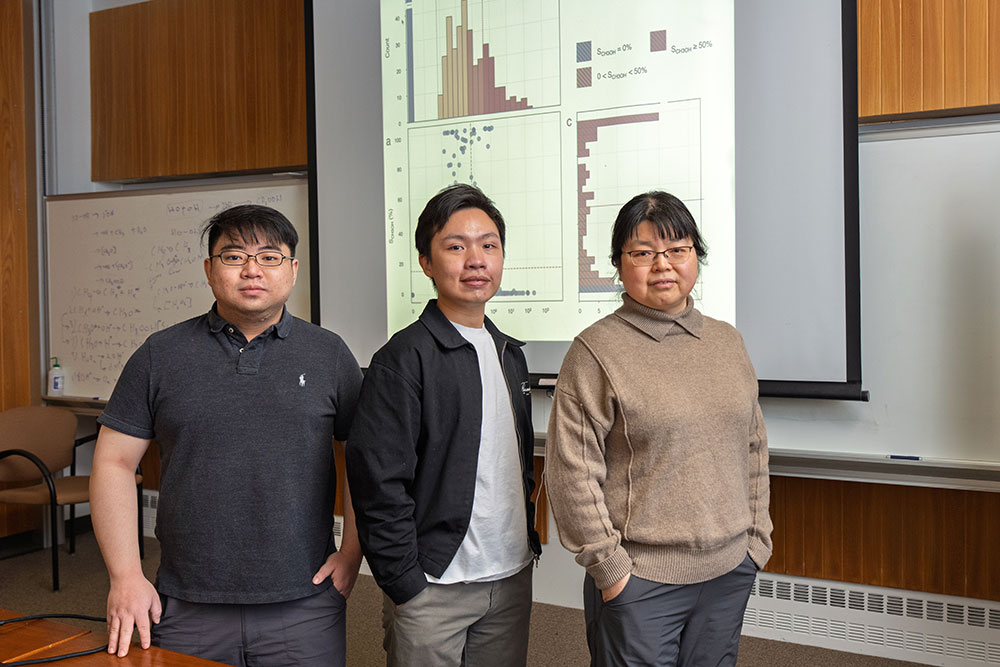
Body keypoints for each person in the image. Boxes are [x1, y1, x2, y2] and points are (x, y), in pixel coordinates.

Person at [90, 204, 364, 666]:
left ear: (293, 270)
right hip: (183, 600)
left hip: (304, 597)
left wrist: (353, 552)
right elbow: (114, 462)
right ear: (209, 270)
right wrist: (125, 575)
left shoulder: (329, 354)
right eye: (233, 256)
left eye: (270, 257)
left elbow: (362, 460)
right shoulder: (160, 354)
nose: (252, 270)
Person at [545, 191, 772, 667]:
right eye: (643, 253)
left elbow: (752, 449)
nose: (662, 265)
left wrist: (755, 541)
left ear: (697, 256)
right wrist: (612, 571)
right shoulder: (595, 351)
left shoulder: (728, 342)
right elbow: (571, 475)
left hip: (729, 571)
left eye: (677, 249)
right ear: (619, 265)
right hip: (641, 581)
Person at [346, 184, 541, 667]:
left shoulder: (508, 352)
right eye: (456, 246)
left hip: (510, 577)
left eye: (489, 245)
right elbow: (377, 483)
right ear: (426, 262)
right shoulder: (403, 358)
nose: (476, 259)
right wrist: (404, 583)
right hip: (433, 586)